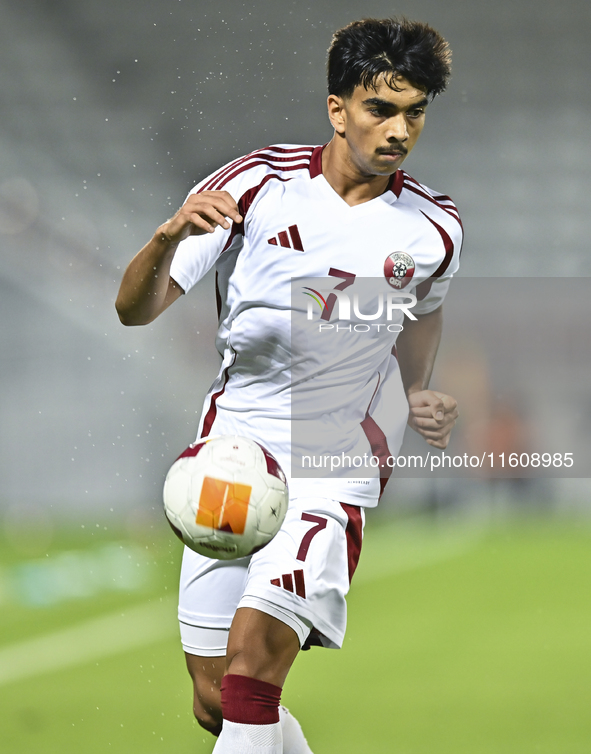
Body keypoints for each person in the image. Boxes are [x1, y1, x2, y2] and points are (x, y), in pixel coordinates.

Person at [116, 17, 461, 754]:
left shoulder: (432, 228)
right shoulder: (254, 185)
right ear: (337, 109)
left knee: (251, 674)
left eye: (415, 111)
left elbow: (422, 314)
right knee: (217, 701)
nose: (399, 129)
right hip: (231, 453)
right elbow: (133, 311)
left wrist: (417, 389)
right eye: (381, 109)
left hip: (335, 455)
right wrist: (167, 237)